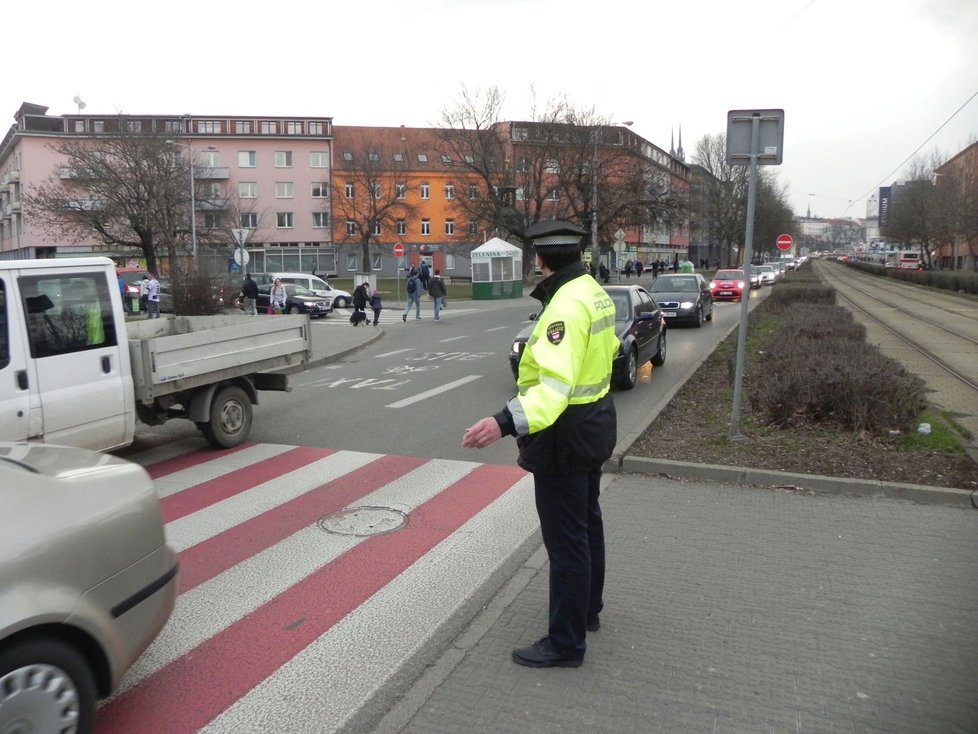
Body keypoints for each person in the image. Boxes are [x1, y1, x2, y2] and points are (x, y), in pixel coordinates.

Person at [461, 220, 618, 669]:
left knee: (567, 543)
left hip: (563, 434)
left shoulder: (565, 307)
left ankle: (565, 644)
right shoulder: (592, 290)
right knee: (588, 526)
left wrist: (503, 422)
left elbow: (552, 387)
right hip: (593, 422)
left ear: (541, 259)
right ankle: (587, 612)